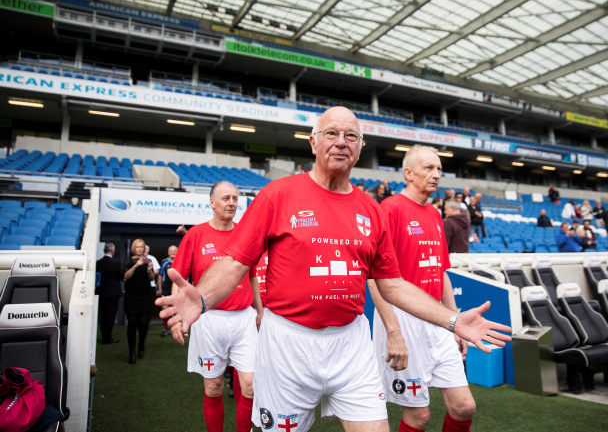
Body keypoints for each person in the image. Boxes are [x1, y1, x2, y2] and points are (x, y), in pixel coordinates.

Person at [157, 106, 511, 432]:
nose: (341, 142)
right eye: (331, 133)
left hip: (350, 343)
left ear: (359, 148)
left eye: (351, 136)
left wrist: (452, 319)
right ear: (313, 142)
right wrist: (201, 298)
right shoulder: (277, 195)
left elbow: (393, 284)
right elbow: (235, 263)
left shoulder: (372, 211)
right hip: (288, 343)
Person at [369, 145, 476, 432]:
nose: (436, 174)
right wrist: (393, 331)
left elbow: (440, 272)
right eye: (428, 168)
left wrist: (456, 322)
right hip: (403, 319)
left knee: (464, 407)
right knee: (419, 417)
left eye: (439, 169)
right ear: (408, 173)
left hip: (438, 319)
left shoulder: (434, 214)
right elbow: (374, 276)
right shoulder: (390, 208)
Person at [170, 181, 263, 432]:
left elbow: (253, 275)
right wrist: (178, 317)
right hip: (208, 319)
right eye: (225, 198)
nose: (232, 202)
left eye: (235, 198)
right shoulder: (195, 235)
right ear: (212, 202)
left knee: (251, 387)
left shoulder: (246, 234)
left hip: (243, 318)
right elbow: (178, 279)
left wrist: (260, 311)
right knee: (213, 388)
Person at [123, 238, 155, 364]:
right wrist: (136, 265)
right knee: (132, 324)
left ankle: (141, 344)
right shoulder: (128, 261)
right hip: (131, 296)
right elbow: (126, 277)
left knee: (143, 323)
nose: (139, 249)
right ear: (134, 248)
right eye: (137, 247)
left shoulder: (148, 261)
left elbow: (152, 277)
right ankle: (131, 352)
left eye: (141, 247)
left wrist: (149, 269)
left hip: (145, 296)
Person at [96, 243, 123, 345]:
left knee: (103, 315)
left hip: (101, 292)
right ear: (112, 251)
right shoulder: (116, 263)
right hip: (113, 293)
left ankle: (104, 335)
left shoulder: (98, 263)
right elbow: (121, 277)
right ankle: (108, 337)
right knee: (110, 315)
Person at [158, 245, 177, 337]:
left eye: (175, 251)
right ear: (168, 252)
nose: (173, 252)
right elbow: (160, 275)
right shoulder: (164, 262)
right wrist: (160, 288)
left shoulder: (180, 260)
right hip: (166, 287)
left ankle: (175, 328)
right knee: (165, 307)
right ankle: (165, 328)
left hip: (176, 287)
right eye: (171, 251)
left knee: (176, 308)